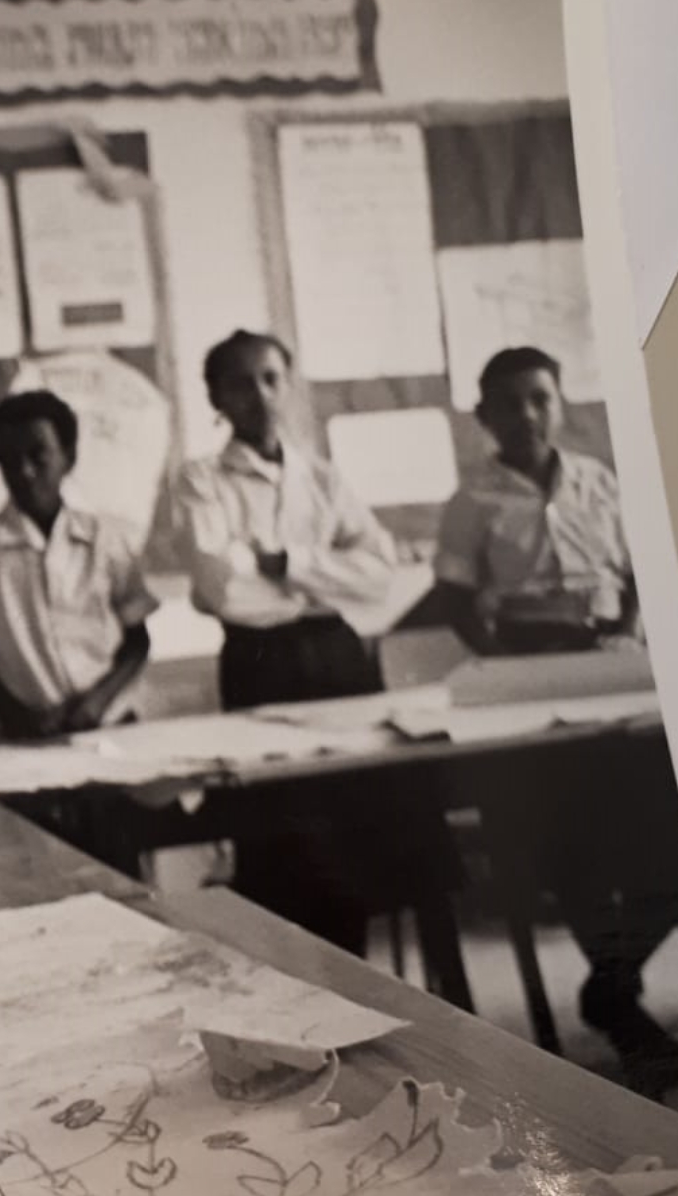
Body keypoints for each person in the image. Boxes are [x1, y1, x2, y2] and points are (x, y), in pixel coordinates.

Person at [434, 346, 678, 1097]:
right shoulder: (472, 498)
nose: (525, 416)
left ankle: (610, 985)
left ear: (559, 403)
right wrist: (496, 667)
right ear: (483, 417)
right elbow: (454, 599)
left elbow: (639, 570)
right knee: (567, 849)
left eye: (538, 399)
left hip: (609, 657)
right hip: (525, 666)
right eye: (507, 404)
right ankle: (623, 1012)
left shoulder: (597, 480)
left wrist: (630, 632)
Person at [171, 330, 458, 955]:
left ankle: (362, 976)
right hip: (259, 662)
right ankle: (299, 990)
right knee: (284, 842)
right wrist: (325, 575)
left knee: (358, 833)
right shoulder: (201, 481)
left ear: (290, 386)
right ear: (216, 396)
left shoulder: (322, 478)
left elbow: (379, 575)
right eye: (241, 383)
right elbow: (224, 592)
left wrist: (282, 562)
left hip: (339, 659)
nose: (260, 395)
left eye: (272, 379)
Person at [0, 389, 158, 741]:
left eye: (38, 456)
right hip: (25, 730)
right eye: (9, 460)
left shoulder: (108, 539)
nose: (24, 472)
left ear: (68, 458)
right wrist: (16, 715)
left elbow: (138, 641)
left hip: (112, 719)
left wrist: (98, 701)